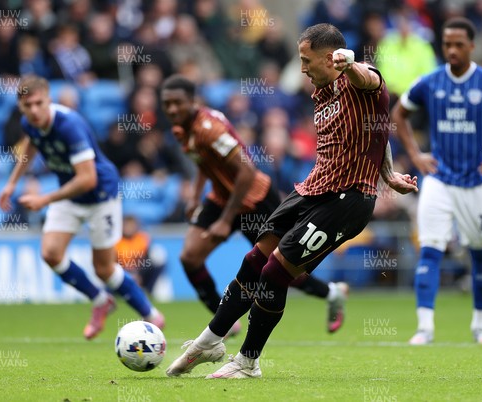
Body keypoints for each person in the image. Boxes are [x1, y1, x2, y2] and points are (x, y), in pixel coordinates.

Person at [165, 23, 418, 379]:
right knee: (254, 260)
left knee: (274, 273)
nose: (302, 68)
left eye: (306, 60)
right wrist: (388, 173)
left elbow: (368, 81)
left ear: (331, 58)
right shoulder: (321, 93)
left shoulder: (361, 78)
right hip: (311, 189)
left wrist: (351, 63)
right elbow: (378, 130)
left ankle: (248, 362)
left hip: (346, 201)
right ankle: (210, 340)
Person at [160, 74, 351, 336]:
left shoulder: (210, 129)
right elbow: (203, 160)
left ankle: (332, 292)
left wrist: (226, 220)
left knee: (278, 269)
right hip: (222, 197)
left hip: (255, 198)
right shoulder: (182, 127)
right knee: (189, 257)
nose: (171, 109)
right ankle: (223, 322)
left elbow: (247, 172)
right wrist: (194, 196)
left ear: (192, 101)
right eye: (166, 104)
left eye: (177, 103)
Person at [391, 17, 482, 345]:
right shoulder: (429, 82)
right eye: (447, 45)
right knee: (430, 249)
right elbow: (398, 113)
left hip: (479, 183)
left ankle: (481, 325)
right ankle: (425, 327)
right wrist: (416, 155)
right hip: (439, 180)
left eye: (459, 44)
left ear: (472, 46)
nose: (452, 50)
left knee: (480, 253)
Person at [0, 75, 164, 340]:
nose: (34, 110)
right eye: (28, 106)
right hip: (70, 194)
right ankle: (100, 301)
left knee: (104, 269)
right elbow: (30, 146)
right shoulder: (29, 123)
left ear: (48, 100)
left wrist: (45, 200)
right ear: (21, 107)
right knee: (51, 253)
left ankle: (150, 313)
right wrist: (11, 183)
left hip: (100, 196)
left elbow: (88, 178)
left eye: (39, 103)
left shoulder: (69, 125)